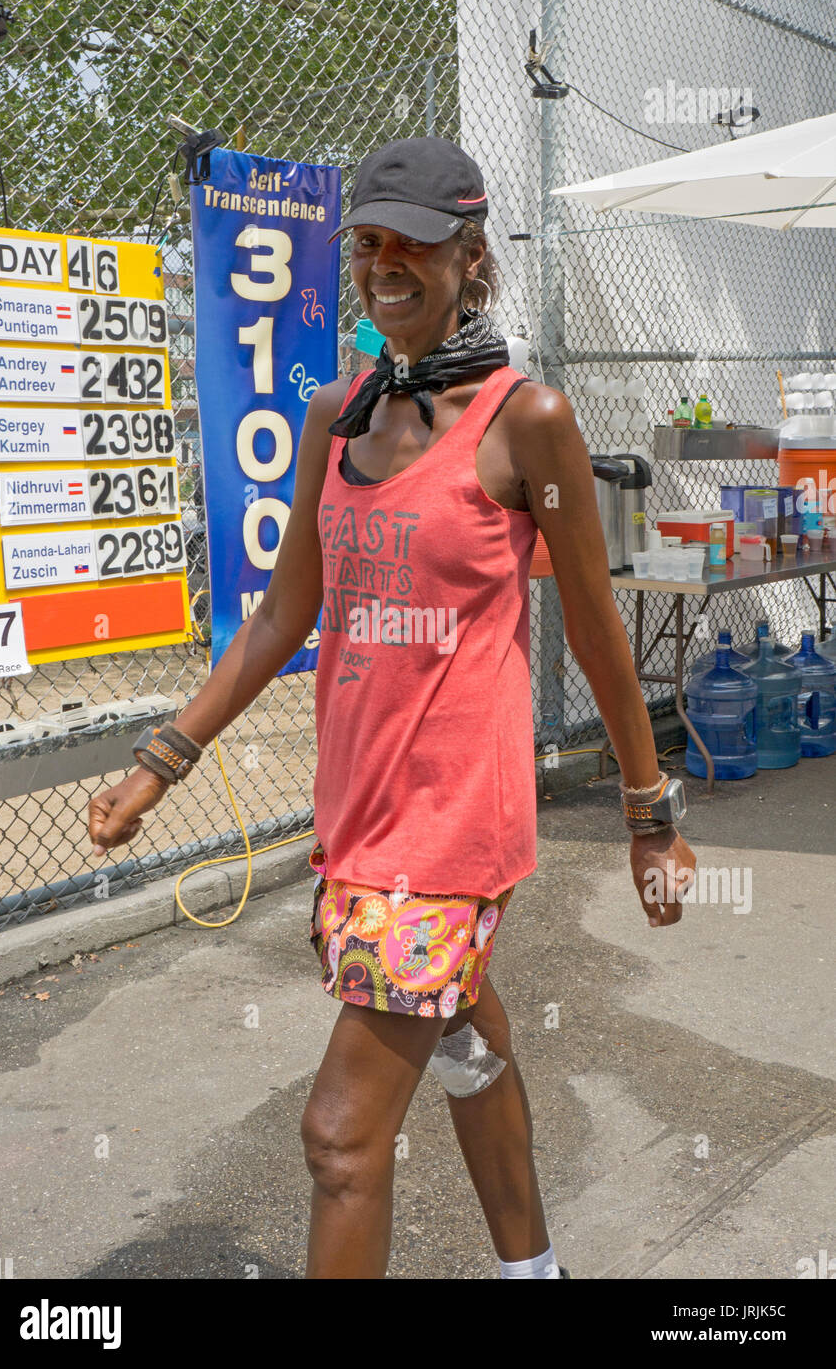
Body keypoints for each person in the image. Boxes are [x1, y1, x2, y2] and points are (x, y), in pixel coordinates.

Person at [88, 135, 696, 1280]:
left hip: (454, 830)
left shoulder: (531, 423)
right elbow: (278, 618)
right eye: (366, 244)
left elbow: (598, 633)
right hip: (357, 820)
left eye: (412, 244)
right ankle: (534, 1271)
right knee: (469, 1043)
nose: (383, 266)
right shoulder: (336, 414)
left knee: (337, 1137)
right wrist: (157, 762)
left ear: (472, 258)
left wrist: (647, 816)